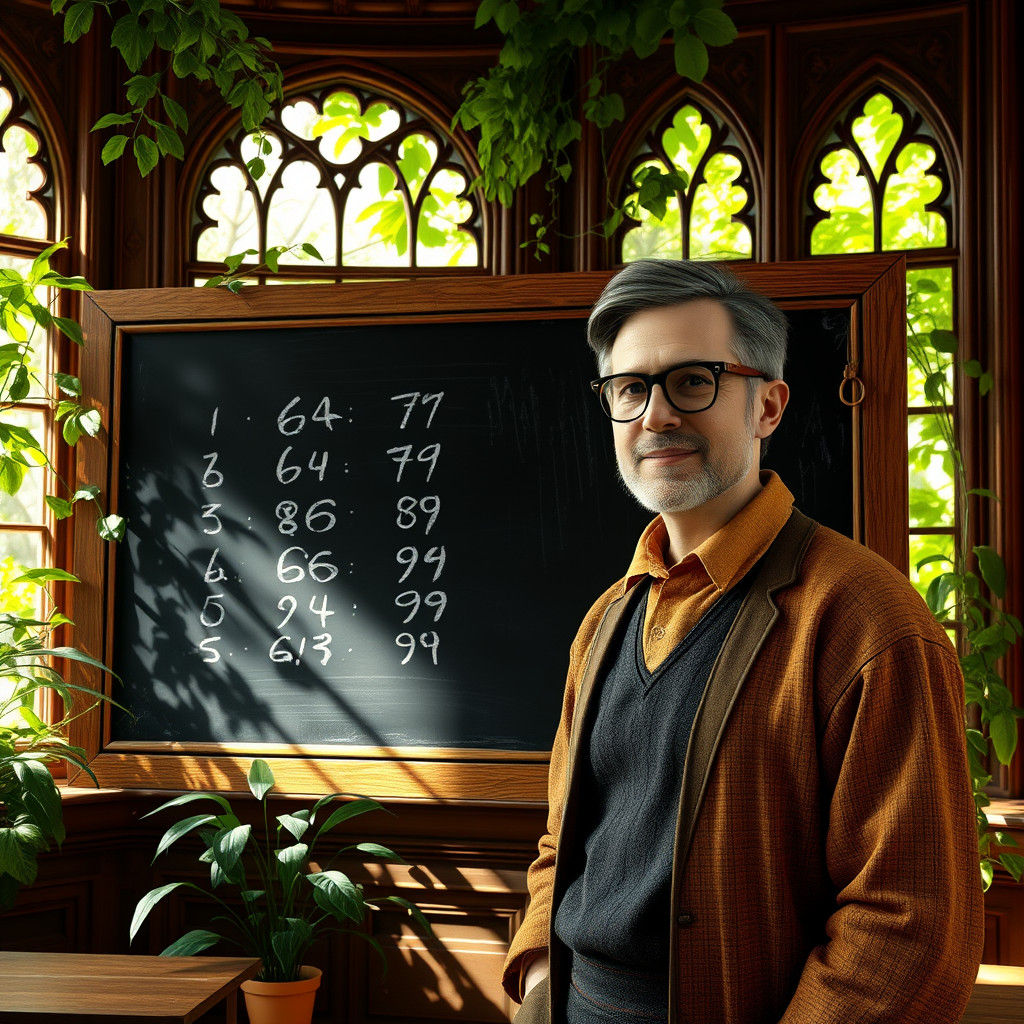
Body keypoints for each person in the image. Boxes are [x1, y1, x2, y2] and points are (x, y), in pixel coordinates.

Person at [501, 259, 985, 1024]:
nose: (656, 415)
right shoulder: (606, 620)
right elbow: (561, 840)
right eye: (630, 389)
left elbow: (909, 922)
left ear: (769, 405)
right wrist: (534, 981)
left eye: (693, 380)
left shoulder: (866, 619)